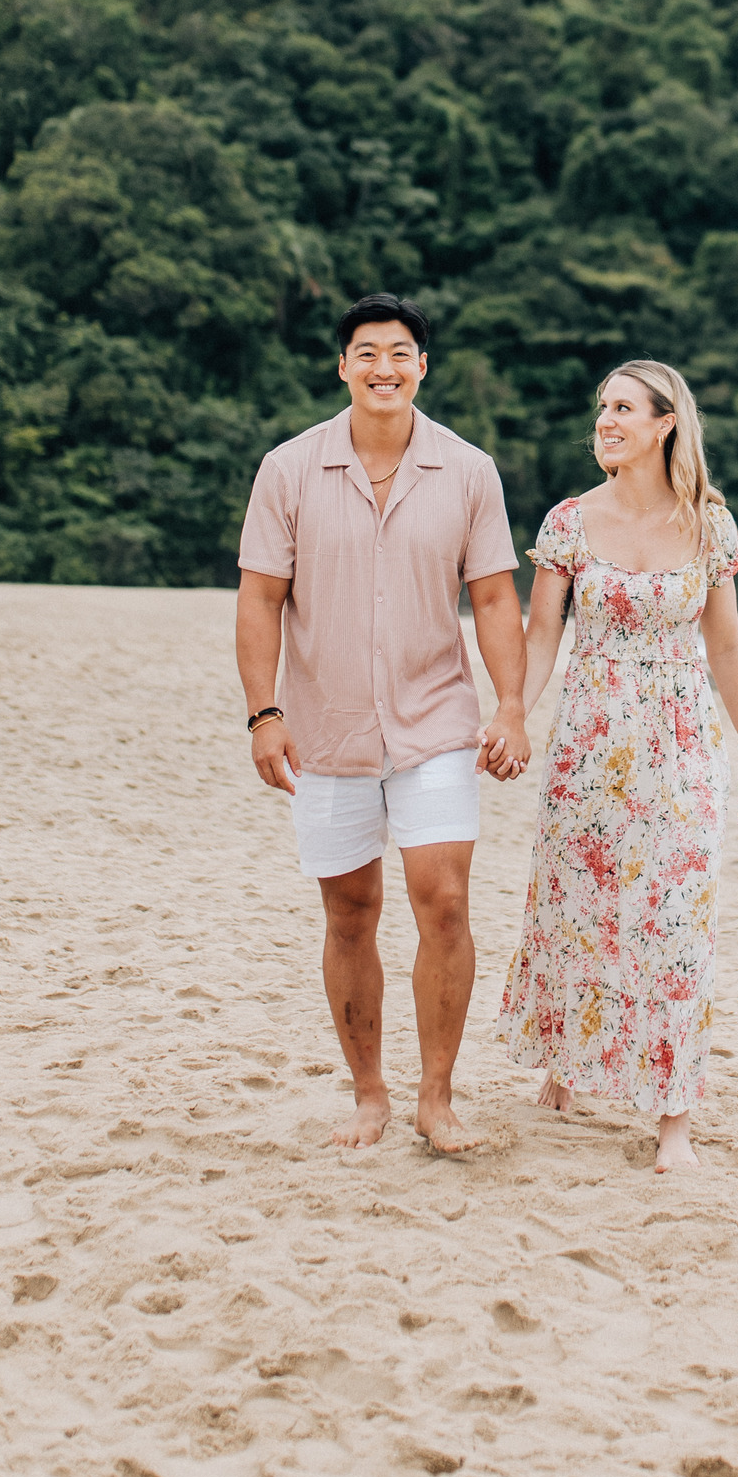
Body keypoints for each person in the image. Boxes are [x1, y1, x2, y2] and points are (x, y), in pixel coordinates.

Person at [235, 294, 530, 1155]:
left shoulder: (469, 470)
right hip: (325, 728)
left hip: (435, 720)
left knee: (445, 903)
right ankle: (370, 1096)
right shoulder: (288, 469)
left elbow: (494, 598)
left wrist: (511, 705)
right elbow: (260, 598)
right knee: (350, 913)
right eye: (366, 353)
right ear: (343, 367)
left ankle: (437, 1099)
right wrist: (264, 714)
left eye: (400, 353)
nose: (383, 368)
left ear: (422, 367)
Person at [496, 359, 738, 1173]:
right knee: (578, 905)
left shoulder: (709, 526)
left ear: (664, 424)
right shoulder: (570, 522)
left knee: (677, 923)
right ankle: (566, 1064)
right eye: (602, 407)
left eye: (623, 408)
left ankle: (674, 1117)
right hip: (589, 740)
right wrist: (512, 712)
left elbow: (725, 645)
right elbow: (542, 634)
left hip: (681, 746)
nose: (606, 421)